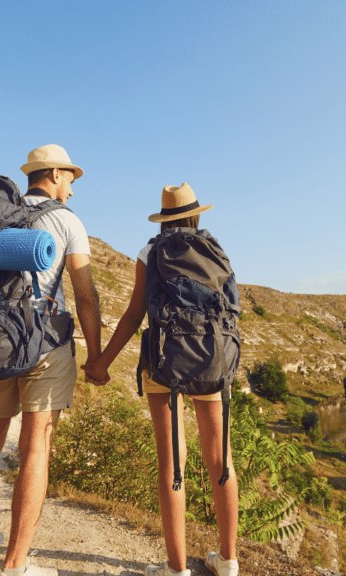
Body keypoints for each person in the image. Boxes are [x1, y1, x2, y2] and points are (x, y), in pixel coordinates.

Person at [0, 144, 104, 576]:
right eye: (71, 180)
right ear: (56, 174)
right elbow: (85, 295)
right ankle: (16, 565)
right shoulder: (66, 221)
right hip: (44, 346)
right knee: (35, 447)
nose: (73, 191)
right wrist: (95, 358)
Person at [84, 184, 240, 576]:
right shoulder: (216, 251)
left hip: (163, 362)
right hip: (212, 359)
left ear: (164, 218)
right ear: (196, 215)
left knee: (173, 462)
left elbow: (135, 314)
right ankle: (228, 560)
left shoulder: (149, 251)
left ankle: (177, 569)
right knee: (220, 459)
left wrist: (101, 362)